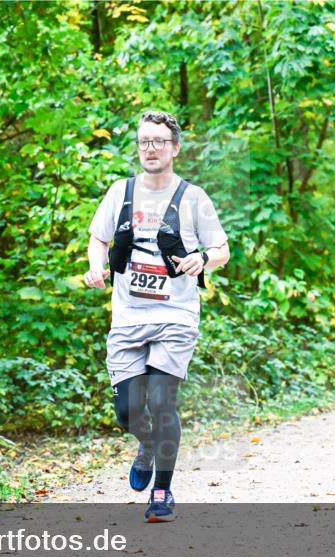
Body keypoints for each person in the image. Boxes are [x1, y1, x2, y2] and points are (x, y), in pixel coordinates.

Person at [83, 110, 230, 523]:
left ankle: (162, 491)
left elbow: (222, 249)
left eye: (159, 142)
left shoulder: (194, 198)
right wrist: (98, 267)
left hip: (176, 316)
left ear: (175, 148)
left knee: (163, 402)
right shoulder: (120, 192)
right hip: (128, 317)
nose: (151, 148)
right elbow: (99, 238)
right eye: (144, 141)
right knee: (127, 411)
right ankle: (146, 445)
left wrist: (203, 259)